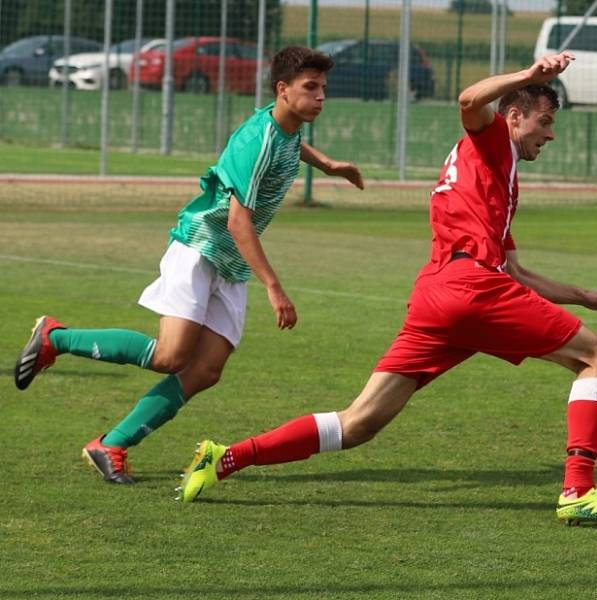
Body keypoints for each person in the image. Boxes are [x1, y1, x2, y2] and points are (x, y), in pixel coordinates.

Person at [177, 51, 597, 526]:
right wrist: (529, 75)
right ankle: (579, 490)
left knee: (358, 423)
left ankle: (227, 457)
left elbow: (518, 273)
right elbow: (467, 100)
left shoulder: (495, 178)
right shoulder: (493, 142)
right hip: (472, 288)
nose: (550, 133)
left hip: (439, 295)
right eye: (544, 121)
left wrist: (583, 294)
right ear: (514, 116)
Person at [13, 45, 364, 485]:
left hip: (230, 265)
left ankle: (111, 443)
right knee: (171, 356)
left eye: (323, 89)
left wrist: (328, 164)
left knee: (204, 370)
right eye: (310, 88)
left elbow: (291, 143)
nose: (320, 97)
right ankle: (56, 338)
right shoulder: (257, 142)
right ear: (282, 90)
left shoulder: (285, 124)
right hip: (201, 247)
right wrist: (274, 286)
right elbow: (239, 222)